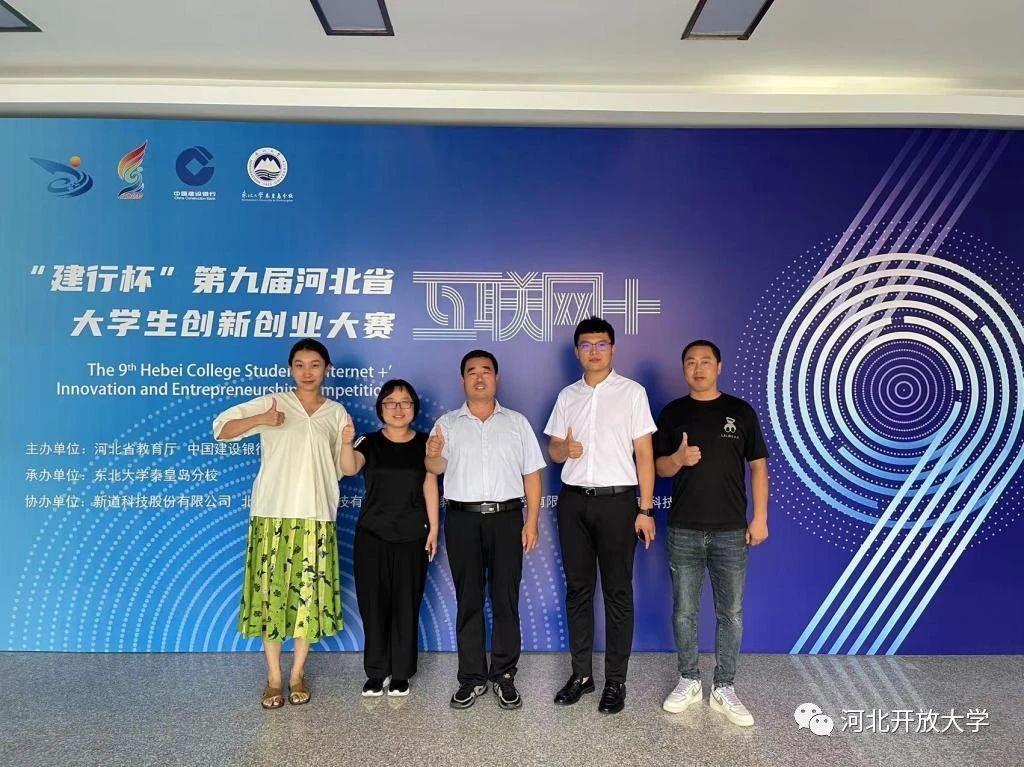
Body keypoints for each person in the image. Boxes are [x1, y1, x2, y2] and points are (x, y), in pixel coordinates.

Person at [212, 338, 346, 709]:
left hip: (316, 516)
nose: (307, 372)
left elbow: (341, 467)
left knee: (308, 598)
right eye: (299, 364)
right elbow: (221, 429)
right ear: (290, 369)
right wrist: (261, 420)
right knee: (271, 597)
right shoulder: (273, 402)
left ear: (327, 369)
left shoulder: (336, 413)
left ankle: (297, 674)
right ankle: (273, 678)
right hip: (272, 513)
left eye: (315, 364)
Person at [544, 316, 656, 715]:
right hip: (573, 502)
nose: (594, 351)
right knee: (578, 589)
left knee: (617, 591)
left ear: (613, 349)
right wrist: (564, 451)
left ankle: (615, 681)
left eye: (601, 344)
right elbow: (554, 449)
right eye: (587, 345)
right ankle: (581, 675)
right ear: (577, 352)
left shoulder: (632, 393)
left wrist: (645, 508)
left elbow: (644, 454)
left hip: (617, 503)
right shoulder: (567, 396)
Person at [654, 339, 769, 727]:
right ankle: (689, 680)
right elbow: (659, 467)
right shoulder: (673, 413)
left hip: (731, 531)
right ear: (683, 369)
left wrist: (760, 518)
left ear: (719, 366)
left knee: (730, 613)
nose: (698, 368)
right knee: (684, 611)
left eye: (705, 361)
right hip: (684, 529)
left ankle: (724, 687)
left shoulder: (740, 411)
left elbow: (758, 467)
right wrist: (678, 458)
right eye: (691, 362)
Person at [425, 350, 545, 711]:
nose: (479, 378)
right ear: (462, 379)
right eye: (472, 372)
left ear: (496, 377)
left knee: (506, 599)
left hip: (507, 519)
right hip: (462, 520)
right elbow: (434, 468)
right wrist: (433, 453)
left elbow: (531, 475)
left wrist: (532, 521)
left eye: (486, 371)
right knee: (469, 599)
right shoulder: (447, 424)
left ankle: (504, 675)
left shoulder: (517, 423)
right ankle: (472, 677)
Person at [339, 379, 439, 698]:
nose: (398, 408)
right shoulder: (368, 442)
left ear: (414, 408)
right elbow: (349, 468)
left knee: (406, 604)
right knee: (374, 604)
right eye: (390, 402)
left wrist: (434, 529)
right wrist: (345, 443)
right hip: (372, 535)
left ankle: (400, 673)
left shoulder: (425, 443)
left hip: (412, 536)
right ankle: (376, 672)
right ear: (381, 408)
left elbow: (430, 484)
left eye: (405, 402)